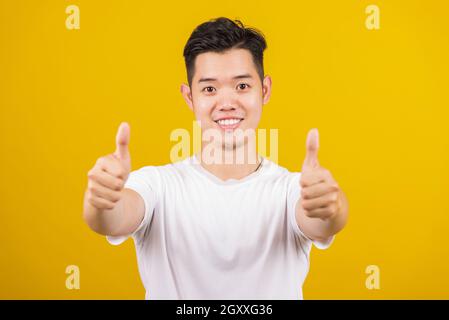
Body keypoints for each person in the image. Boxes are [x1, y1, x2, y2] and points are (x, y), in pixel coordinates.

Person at [83, 17, 349, 300]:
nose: (226, 103)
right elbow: (112, 218)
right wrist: (101, 201)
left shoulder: (290, 191)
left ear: (265, 89)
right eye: (209, 89)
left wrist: (329, 206)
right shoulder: (157, 185)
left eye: (242, 86)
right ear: (189, 98)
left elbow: (323, 220)